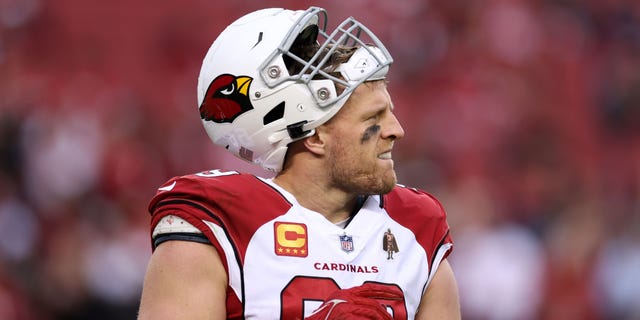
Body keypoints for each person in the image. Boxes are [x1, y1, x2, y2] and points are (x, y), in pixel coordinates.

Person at [138, 6, 460, 320]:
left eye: (389, 112)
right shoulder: (218, 222)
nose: (396, 131)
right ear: (314, 136)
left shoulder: (416, 226)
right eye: (373, 118)